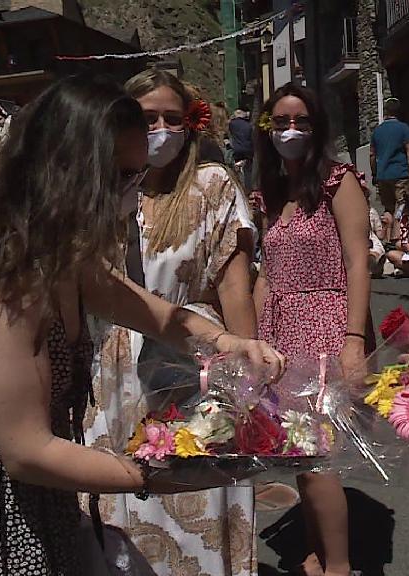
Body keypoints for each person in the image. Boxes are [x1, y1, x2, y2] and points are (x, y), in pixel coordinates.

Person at [0, 73, 285, 576]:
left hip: (35, 503)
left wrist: (229, 343)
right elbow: (26, 451)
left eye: (136, 178)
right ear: (71, 175)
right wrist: (162, 477)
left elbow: (160, 316)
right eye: (122, 177)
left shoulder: (65, 257)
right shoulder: (14, 281)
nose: (132, 193)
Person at [81, 68, 259, 576]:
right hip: (112, 367)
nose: (160, 128)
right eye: (146, 117)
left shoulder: (212, 184)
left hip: (191, 356)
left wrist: (245, 379)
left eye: (172, 118)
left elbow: (232, 286)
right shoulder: (98, 189)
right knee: (123, 501)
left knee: (195, 489)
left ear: (190, 125)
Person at [253, 83, 370, 576]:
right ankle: (314, 549)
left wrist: (355, 340)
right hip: (279, 329)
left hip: (324, 326)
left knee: (316, 452)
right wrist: (251, 341)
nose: (290, 130)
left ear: (317, 126)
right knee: (294, 451)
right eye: (280, 122)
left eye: (300, 120)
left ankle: (338, 565)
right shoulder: (270, 192)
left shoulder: (337, 181)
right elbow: (265, 273)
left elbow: (357, 261)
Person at [370, 98, 409, 242]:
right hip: (400, 173)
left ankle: (386, 240)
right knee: (402, 205)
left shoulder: (377, 131)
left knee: (388, 208)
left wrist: (375, 173)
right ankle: (397, 238)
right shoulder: (403, 128)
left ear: (386, 112)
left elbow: (372, 154)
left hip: (383, 175)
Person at [229, 107, 255, 191]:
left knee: (235, 170)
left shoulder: (232, 124)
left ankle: (238, 188)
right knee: (248, 171)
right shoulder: (249, 125)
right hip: (248, 150)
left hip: (237, 150)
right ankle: (248, 189)